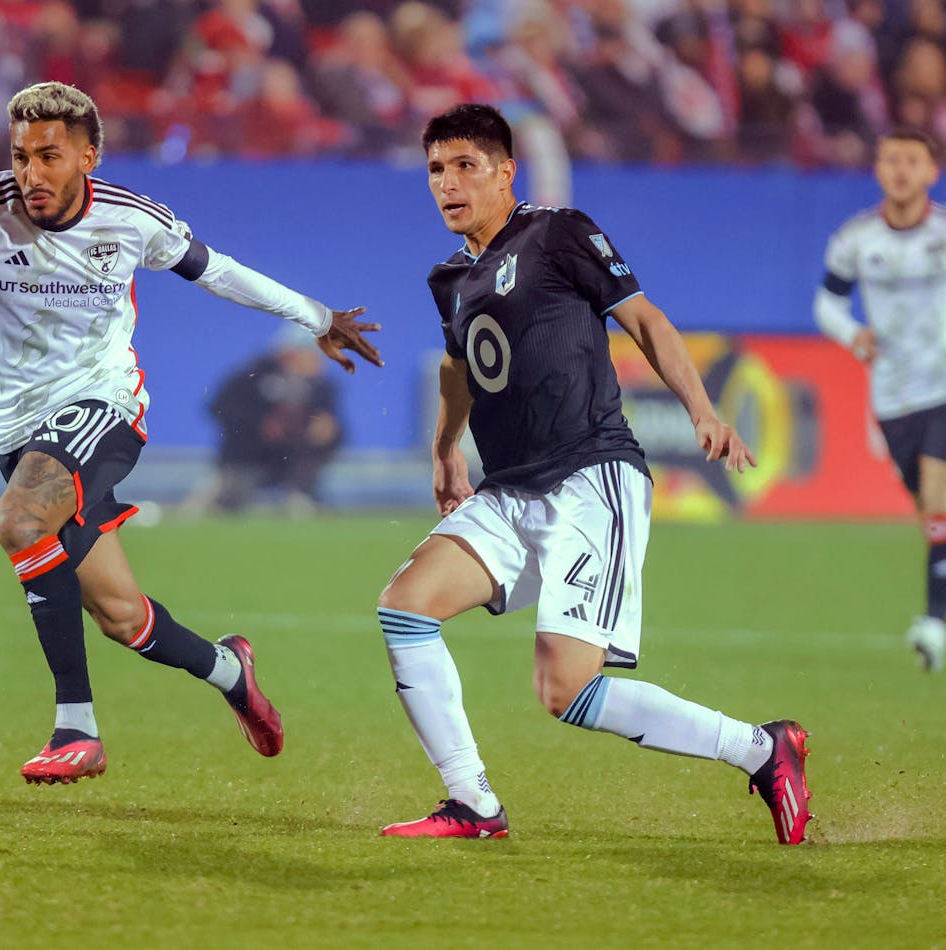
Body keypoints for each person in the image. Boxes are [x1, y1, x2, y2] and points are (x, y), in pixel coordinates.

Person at [0, 81, 382, 785]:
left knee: (19, 520)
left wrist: (316, 316)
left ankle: (77, 727)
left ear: (88, 156)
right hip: (18, 429)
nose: (31, 175)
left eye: (49, 157)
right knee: (120, 615)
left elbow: (215, 271)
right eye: (19, 158)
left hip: (103, 406)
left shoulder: (131, 219)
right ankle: (231, 672)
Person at [374, 103, 812, 844]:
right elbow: (460, 368)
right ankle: (472, 804)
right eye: (436, 170)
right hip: (508, 487)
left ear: (505, 171)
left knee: (564, 690)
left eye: (464, 167)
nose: (447, 184)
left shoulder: (558, 232)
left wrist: (702, 409)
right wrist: (447, 447)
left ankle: (762, 749)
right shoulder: (448, 278)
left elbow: (645, 321)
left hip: (589, 476)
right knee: (404, 608)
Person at [815, 128, 946, 672]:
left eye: (911, 160)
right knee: (930, 513)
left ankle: (934, 623)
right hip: (893, 397)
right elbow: (827, 304)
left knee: (938, 497)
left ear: (931, 172)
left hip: (944, 385)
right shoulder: (855, 239)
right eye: (890, 158)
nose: (899, 169)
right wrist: (852, 335)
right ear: (877, 169)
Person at [203, 324, 344, 515]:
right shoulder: (251, 377)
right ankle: (220, 496)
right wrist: (260, 425)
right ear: (290, 353)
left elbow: (336, 429)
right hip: (248, 458)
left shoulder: (322, 387)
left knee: (322, 441)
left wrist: (326, 430)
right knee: (227, 502)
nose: (321, 362)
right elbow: (219, 408)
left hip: (291, 460)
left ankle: (300, 495)